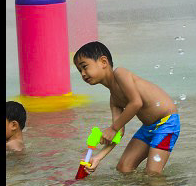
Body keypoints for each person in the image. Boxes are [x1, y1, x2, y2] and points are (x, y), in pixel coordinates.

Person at [73, 41, 180, 175]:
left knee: (153, 173)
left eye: (84, 67)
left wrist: (113, 128)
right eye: (79, 71)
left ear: (103, 62)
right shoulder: (114, 99)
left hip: (167, 122)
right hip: (148, 128)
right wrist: (98, 157)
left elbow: (136, 103)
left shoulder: (120, 73)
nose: (83, 74)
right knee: (124, 168)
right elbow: (119, 133)